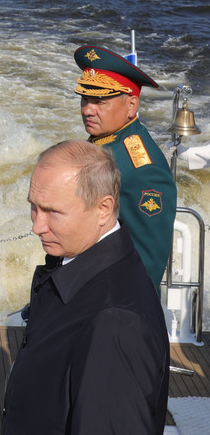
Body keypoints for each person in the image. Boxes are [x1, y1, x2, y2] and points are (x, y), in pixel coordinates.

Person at [1, 140, 170, 435]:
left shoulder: (115, 324)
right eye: (33, 207)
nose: (37, 225)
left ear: (103, 209)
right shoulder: (80, 268)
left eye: (52, 212)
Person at [74, 45, 176, 291]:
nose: (88, 109)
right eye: (85, 99)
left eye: (99, 101)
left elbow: (147, 260)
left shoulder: (143, 169)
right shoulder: (105, 141)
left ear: (131, 106)